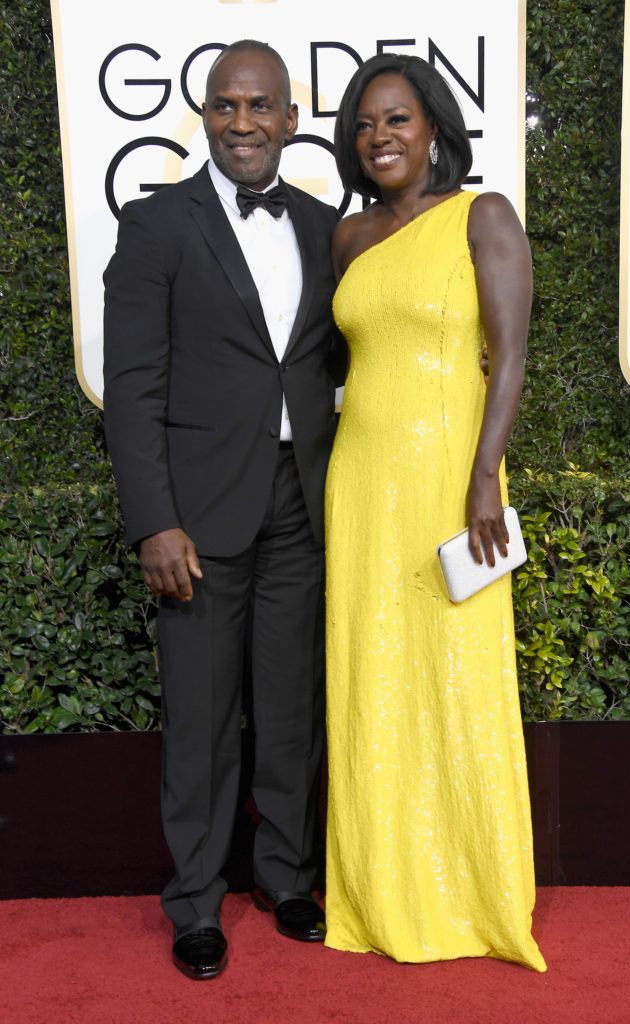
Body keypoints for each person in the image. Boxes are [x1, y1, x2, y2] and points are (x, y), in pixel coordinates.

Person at [103, 40, 343, 980]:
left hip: (301, 502)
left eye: (260, 107)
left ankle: (286, 878)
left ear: (289, 120)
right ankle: (196, 901)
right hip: (195, 516)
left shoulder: (327, 227)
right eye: (224, 105)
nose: (242, 123)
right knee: (201, 718)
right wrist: (152, 519)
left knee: (289, 709)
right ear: (205, 116)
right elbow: (131, 385)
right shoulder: (158, 222)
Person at [323, 53, 546, 970]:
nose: (380, 136)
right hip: (359, 487)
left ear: (434, 129)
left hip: (449, 485)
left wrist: (484, 472)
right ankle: (380, 887)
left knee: (455, 673)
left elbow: (511, 353)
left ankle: (474, 892)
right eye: (366, 124)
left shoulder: (481, 215)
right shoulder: (347, 238)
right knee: (369, 678)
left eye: (397, 120)